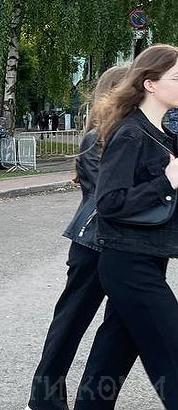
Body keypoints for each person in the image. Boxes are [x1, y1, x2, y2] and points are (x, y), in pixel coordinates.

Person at [72, 44, 178, 409]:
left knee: (109, 363)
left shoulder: (162, 134)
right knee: (172, 353)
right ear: (150, 83)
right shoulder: (131, 133)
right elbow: (109, 203)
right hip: (128, 263)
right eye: (177, 78)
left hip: (147, 260)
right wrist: (166, 182)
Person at [24, 65, 128, 410]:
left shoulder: (131, 135)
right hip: (92, 246)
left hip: (125, 249)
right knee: (69, 325)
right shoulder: (95, 139)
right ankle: (43, 401)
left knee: (118, 329)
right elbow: (108, 197)